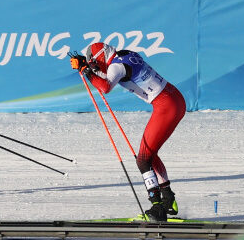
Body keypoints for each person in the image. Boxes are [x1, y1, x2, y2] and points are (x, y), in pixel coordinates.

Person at [70, 42, 185, 222]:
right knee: (150, 154)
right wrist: (87, 67)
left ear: (100, 56)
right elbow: (108, 75)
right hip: (175, 99)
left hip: (165, 106)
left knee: (143, 159)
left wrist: (86, 70)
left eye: (95, 62)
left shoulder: (116, 67)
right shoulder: (123, 55)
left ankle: (157, 207)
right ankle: (168, 200)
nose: (95, 66)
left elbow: (105, 87)